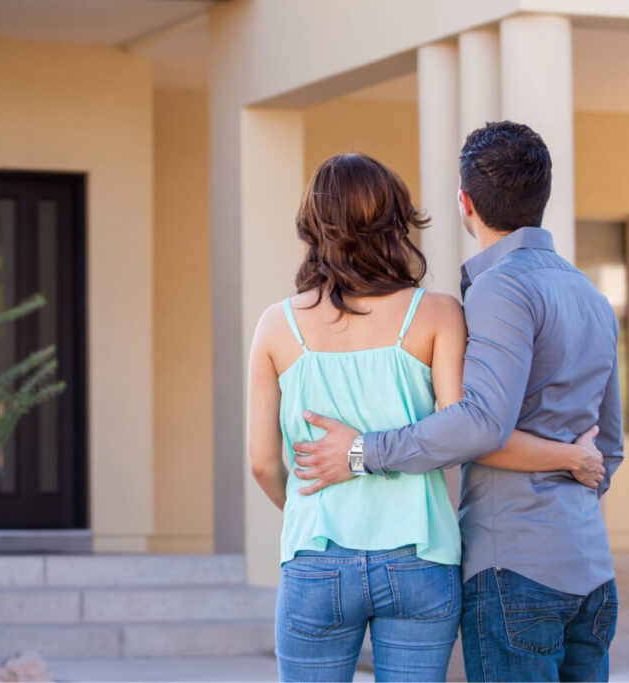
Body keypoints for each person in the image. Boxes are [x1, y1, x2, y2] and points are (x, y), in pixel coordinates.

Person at [247, 151, 605, 683]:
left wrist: (305, 512)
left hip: (316, 555)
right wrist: (570, 455)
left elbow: (261, 463)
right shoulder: (437, 313)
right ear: (397, 221)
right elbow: (465, 429)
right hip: (420, 558)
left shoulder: (276, 325)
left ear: (314, 224)